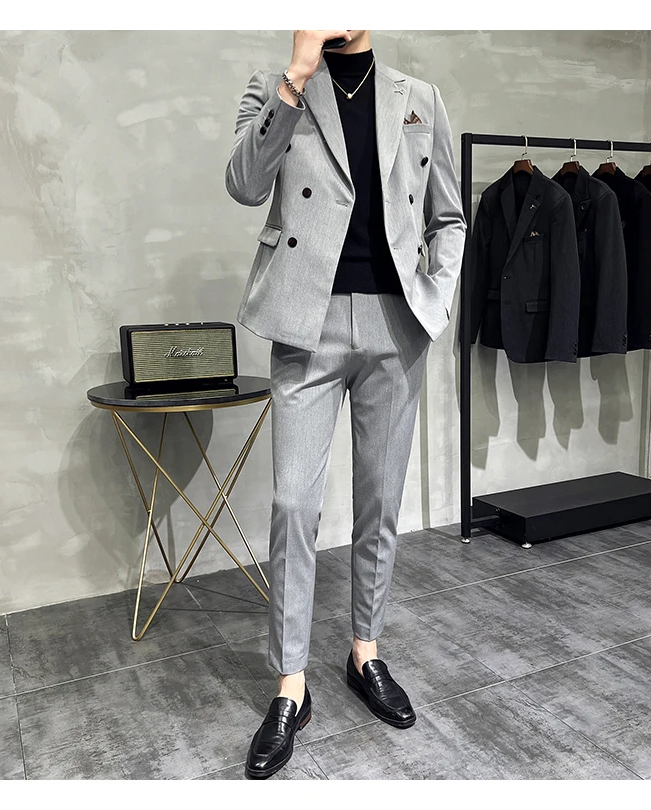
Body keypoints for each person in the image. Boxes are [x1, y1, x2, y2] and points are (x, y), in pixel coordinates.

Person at [225, 29, 466, 779]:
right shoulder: (277, 87)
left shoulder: (419, 99)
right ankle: (290, 686)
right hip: (308, 323)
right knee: (293, 504)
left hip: (397, 326)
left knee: (380, 501)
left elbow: (449, 216)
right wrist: (297, 77)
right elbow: (244, 185)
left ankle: (365, 653)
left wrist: (434, 300)